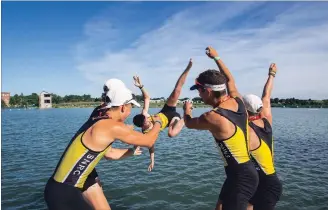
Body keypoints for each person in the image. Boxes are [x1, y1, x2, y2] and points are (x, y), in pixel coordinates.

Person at [44, 78, 163, 210]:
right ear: (123, 107)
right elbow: (149, 141)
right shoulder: (111, 127)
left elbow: (109, 153)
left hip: (79, 177)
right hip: (64, 193)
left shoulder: (99, 114)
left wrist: (131, 152)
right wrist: (158, 122)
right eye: (131, 107)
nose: (130, 112)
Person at [183, 46, 258, 210]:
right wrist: (216, 58)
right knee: (220, 207)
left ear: (208, 91)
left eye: (200, 91)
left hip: (240, 177)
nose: (199, 95)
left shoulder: (213, 117)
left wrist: (186, 112)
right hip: (241, 173)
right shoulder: (238, 101)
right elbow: (230, 79)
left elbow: (188, 123)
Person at [132, 59, 193, 171]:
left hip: (166, 111)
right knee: (171, 133)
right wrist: (152, 161)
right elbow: (151, 147)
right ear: (142, 126)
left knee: (176, 91)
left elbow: (146, 98)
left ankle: (188, 68)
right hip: (172, 120)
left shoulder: (144, 115)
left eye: (146, 118)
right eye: (146, 122)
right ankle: (187, 114)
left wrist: (141, 86)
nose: (148, 120)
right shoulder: (146, 133)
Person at [244, 63, 282, 210]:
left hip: (263, 184)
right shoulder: (266, 121)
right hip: (269, 182)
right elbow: (266, 96)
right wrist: (272, 75)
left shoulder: (246, 130)